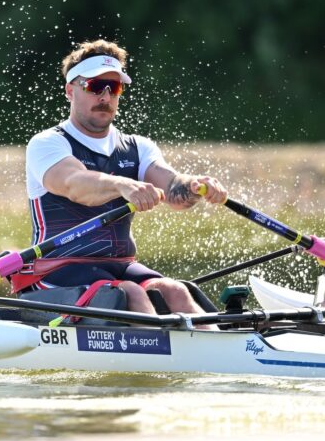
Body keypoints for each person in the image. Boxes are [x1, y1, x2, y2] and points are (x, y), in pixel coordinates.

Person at [20, 39, 227, 315]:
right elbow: (74, 185)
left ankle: (217, 350)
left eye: (113, 88)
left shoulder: (137, 147)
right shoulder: (48, 143)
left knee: (175, 290)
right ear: (70, 91)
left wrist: (197, 186)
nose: (105, 97)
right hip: (58, 269)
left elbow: (174, 189)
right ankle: (161, 352)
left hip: (119, 265)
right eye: (94, 87)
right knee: (129, 292)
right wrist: (122, 184)